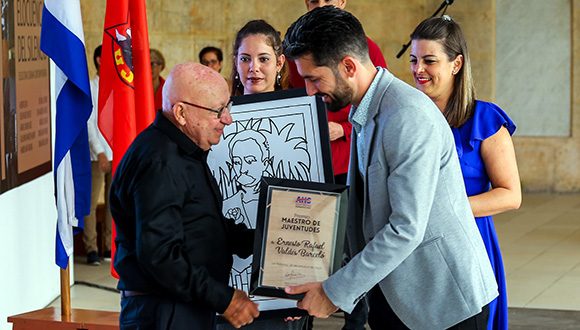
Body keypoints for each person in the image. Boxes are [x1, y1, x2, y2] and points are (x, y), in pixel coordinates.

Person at [282, 6, 498, 329]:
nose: (310, 92)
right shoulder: (365, 107)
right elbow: (364, 215)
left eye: (314, 79)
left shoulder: (407, 116)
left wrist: (333, 293)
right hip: (397, 294)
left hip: (444, 303)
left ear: (348, 66)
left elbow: (405, 228)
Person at [110, 62, 259, 329]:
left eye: (228, 107)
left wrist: (263, 242)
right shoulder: (160, 161)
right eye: (218, 111)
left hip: (184, 307)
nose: (228, 119)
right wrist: (225, 300)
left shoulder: (185, 150)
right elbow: (160, 255)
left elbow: (198, 224)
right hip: (164, 313)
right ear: (180, 113)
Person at [409, 16, 521, 330]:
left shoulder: (485, 119)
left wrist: (445, 210)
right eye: (414, 60)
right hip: (415, 246)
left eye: (429, 61)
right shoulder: (408, 117)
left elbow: (511, 195)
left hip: (469, 243)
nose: (419, 70)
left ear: (456, 64)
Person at [216, 19, 305, 330]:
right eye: (245, 58)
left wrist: (298, 291)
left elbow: (306, 211)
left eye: (263, 59)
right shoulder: (216, 116)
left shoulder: (301, 116)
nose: (253, 68)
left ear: (280, 62)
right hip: (229, 282)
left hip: (284, 276)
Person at [84, 44, 112, 266]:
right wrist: (100, 152)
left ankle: (109, 246)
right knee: (91, 203)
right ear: (99, 60)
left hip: (118, 153)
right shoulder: (92, 87)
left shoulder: (116, 86)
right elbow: (90, 123)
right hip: (96, 155)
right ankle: (91, 247)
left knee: (115, 202)